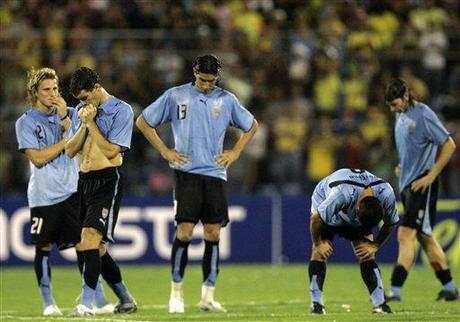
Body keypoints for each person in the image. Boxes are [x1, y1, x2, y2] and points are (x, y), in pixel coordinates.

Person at [136, 54, 258, 313]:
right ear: (194, 73)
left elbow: (251, 126)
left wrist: (235, 153)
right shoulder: (176, 96)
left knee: (213, 233)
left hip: (214, 174)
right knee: (185, 232)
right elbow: (143, 121)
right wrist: (165, 151)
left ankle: (208, 296)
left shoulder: (227, 100)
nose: (206, 85)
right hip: (186, 173)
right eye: (202, 80)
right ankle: (176, 294)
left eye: (211, 81)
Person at [15, 67, 112, 316]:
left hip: (73, 191)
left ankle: (97, 300)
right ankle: (49, 303)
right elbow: (37, 158)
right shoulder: (25, 122)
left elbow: (84, 143)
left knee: (85, 245)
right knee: (43, 247)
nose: (52, 94)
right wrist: (65, 140)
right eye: (46, 89)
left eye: (56, 89)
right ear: (34, 93)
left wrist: (66, 122)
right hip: (43, 195)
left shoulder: (72, 114)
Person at [65, 67, 137, 316]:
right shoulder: (80, 112)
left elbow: (110, 152)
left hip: (107, 180)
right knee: (96, 248)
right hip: (83, 181)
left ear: (97, 87)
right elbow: (70, 150)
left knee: (89, 239)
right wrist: (84, 124)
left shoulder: (121, 110)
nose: (82, 103)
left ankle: (86, 304)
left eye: (85, 97)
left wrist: (91, 123)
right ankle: (126, 299)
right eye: (78, 100)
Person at [384, 78, 459, 302]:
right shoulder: (401, 115)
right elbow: (411, 147)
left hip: (421, 184)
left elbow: (449, 144)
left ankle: (394, 290)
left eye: (394, 104)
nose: (392, 109)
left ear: (406, 96)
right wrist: (402, 166)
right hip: (408, 184)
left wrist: (431, 175)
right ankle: (450, 288)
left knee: (405, 234)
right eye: (389, 105)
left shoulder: (424, 114)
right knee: (425, 238)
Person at [308, 168, 399, 314]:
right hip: (326, 205)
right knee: (319, 253)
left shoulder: (386, 193)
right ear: (356, 209)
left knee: (366, 253)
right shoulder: (341, 194)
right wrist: (318, 243)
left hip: (354, 205)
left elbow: (391, 223)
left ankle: (380, 304)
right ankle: (316, 304)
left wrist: (375, 245)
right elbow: (316, 219)